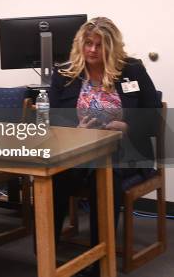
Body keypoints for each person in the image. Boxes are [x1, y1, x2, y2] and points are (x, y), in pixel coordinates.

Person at [49, 17, 161, 277]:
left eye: (100, 45)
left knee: (105, 178)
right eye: (88, 43)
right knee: (56, 176)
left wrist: (128, 126)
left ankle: (100, 257)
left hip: (126, 151)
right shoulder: (65, 73)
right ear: (80, 43)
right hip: (78, 149)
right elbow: (52, 118)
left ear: (112, 46)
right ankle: (46, 249)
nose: (92, 50)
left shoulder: (132, 70)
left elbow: (154, 117)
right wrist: (76, 131)